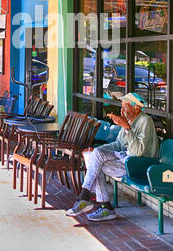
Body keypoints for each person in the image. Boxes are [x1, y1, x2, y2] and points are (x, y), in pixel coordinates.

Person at [66, 92, 159, 222]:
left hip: (138, 165)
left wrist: (127, 128)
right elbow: (118, 144)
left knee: (96, 162)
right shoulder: (129, 120)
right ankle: (101, 205)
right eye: (121, 106)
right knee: (95, 156)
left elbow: (138, 152)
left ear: (136, 107)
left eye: (125, 106)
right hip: (125, 160)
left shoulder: (145, 121)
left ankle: (88, 198)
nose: (121, 110)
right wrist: (96, 149)